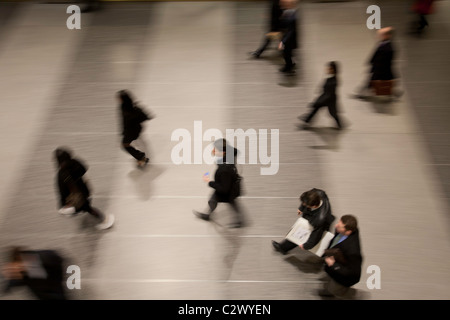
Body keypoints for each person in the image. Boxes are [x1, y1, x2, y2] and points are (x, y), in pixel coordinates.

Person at [55, 147, 114, 230]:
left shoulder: (62, 174)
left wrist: (66, 204)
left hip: (77, 196)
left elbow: (65, 189)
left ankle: (104, 220)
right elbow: (84, 169)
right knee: (86, 207)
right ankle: (103, 219)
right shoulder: (74, 162)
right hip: (83, 189)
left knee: (87, 208)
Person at [193, 139, 243, 228]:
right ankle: (208, 215)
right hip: (230, 185)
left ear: (223, 152)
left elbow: (224, 189)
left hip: (228, 188)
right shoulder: (229, 156)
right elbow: (235, 151)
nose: (213, 151)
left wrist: (210, 182)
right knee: (214, 200)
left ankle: (238, 221)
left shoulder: (225, 170)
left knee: (228, 201)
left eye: (215, 149)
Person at [272, 188, 335, 254]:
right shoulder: (318, 193)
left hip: (320, 224)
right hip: (313, 217)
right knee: (299, 232)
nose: (303, 204)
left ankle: (326, 255)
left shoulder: (319, 220)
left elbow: (315, 236)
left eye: (305, 205)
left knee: (303, 235)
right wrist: (301, 208)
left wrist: (306, 246)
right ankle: (283, 247)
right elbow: (306, 199)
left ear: (313, 206)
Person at [319, 215, 362, 298]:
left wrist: (333, 265)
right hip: (336, 263)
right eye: (338, 222)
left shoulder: (353, 251)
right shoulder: (343, 230)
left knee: (334, 289)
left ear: (348, 232)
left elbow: (352, 272)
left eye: (339, 226)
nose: (336, 226)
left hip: (343, 276)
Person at [2, 247, 67, 300]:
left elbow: (55, 257)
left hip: (53, 287)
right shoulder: (21, 274)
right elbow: (12, 282)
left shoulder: (44, 258)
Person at [355, 27, 400, 99]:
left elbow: (385, 61)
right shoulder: (383, 43)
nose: (380, 36)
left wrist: (377, 67)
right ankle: (394, 93)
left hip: (381, 69)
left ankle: (361, 93)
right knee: (379, 81)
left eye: (383, 34)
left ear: (388, 36)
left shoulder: (389, 48)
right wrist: (371, 61)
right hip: (378, 68)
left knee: (373, 81)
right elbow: (376, 54)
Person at [299, 61, 343, 129]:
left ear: (333, 70)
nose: (328, 69)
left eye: (330, 68)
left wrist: (319, 101)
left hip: (329, 99)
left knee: (332, 113)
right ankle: (306, 121)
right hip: (327, 98)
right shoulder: (331, 79)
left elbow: (329, 93)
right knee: (319, 109)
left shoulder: (333, 81)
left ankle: (340, 125)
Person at [117, 89, 152, 169]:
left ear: (123, 99)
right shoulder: (129, 106)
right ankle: (140, 156)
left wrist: (124, 132)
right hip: (135, 129)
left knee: (125, 145)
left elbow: (126, 122)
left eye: (119, 98)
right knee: (127, 143)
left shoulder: (127, 111)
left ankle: (141, 157)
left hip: (131, 132)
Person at [277, 0, 298, 74]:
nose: (281, 3)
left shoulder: (291, 14)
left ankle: (289, 68)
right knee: (287, 54)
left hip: (289, 39)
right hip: (289, 38)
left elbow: (290, 31)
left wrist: (283, 41)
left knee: (286, 54)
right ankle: (289, 66)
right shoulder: (288, 12)